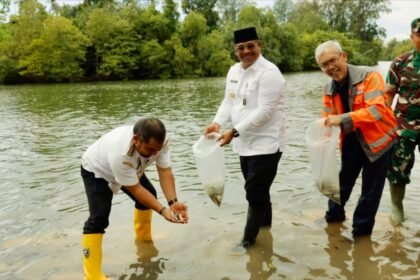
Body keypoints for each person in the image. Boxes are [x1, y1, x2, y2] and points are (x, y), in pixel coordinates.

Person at [204, 27, 285, 247]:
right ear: (235, 50)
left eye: (251, 46)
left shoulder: (270, 72)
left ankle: (248, 242)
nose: (246, 51)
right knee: (259, 190)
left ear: (260, 45)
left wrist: (234, 130)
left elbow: (265, 111)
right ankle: (265, 228)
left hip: (266, 144)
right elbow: (229, 102)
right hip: (243, 144)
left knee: (253, 192)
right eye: (241, 47)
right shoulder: (233, 71)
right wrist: (217, 123)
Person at [81, 117, 189, 279]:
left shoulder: (161, 142)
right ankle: (93, 275)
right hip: (97, 170)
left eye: (157, 150)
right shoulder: (119, 152)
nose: (154, 154)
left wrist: (172, 202)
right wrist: (163, 211)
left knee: (149, 196)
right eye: (150, 149)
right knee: (99, 219)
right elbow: (136, 189)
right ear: (136, 140)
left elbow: (165, 171)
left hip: (130, 168)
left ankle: (144, 243)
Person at [315, 40, 397, 236]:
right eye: (324, 65)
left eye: (333, 60)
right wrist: (323, 140)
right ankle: (333, 220)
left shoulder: (369, 76)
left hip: (379, 144)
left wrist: (342, 118)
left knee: (370, 192)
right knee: (341, 185)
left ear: (344, 56)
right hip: (351, 143)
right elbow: (326, 118)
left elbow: (376, 110)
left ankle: (361, 232)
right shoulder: (328, 88)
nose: (330, 67)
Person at [385, 17, 420, 224]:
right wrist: (382, 124)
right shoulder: (400, 62)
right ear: (412, 37)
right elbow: (388, 96)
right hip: (403, 126)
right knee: (397, 168)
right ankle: (397, 207)